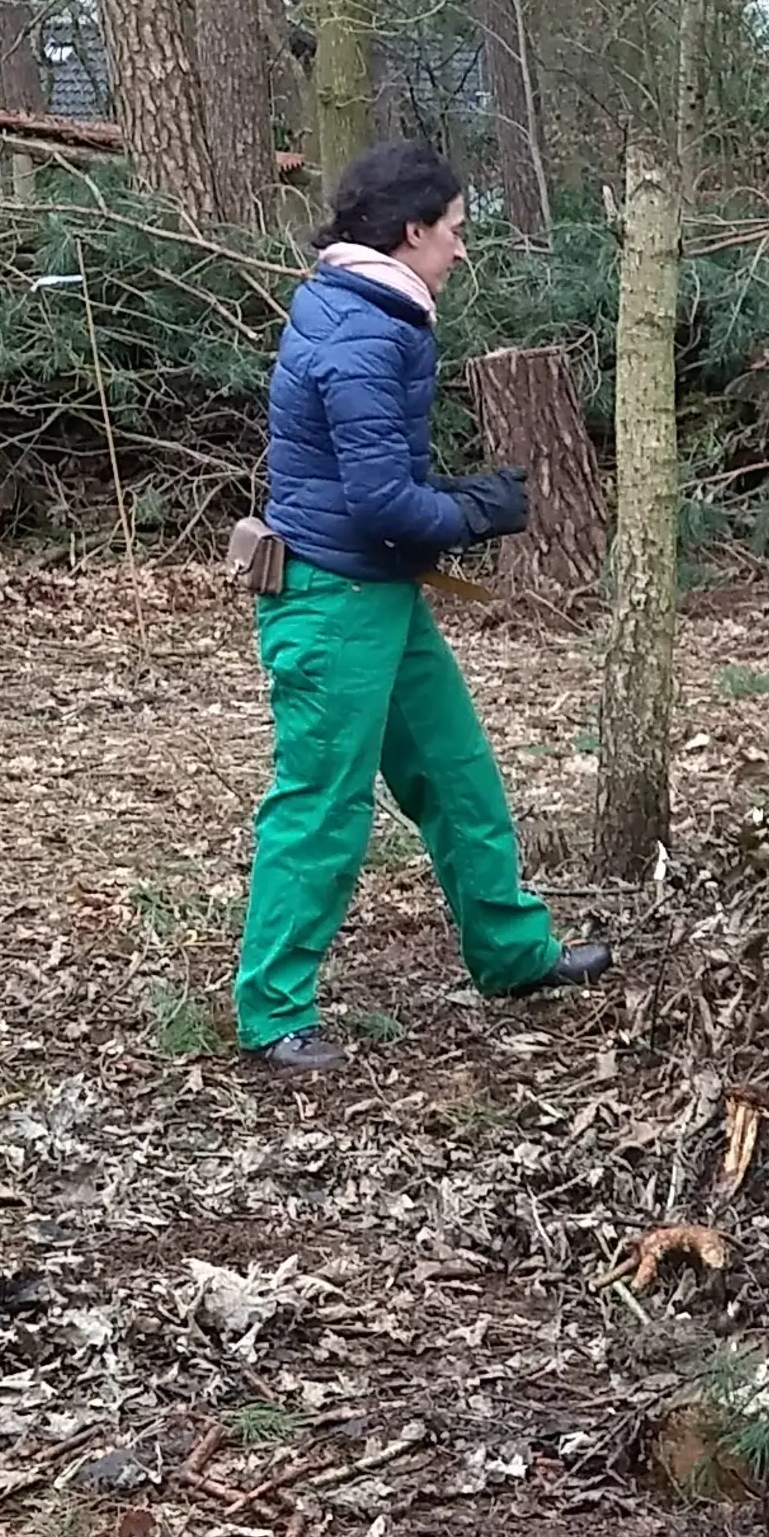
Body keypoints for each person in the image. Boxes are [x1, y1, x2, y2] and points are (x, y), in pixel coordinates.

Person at [234, 140, 608, 1074]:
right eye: (455, 231)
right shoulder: (366, 335)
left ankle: (513, 953)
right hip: (329, 603)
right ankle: (274, 1012)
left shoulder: (365, 305)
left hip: (377, 592)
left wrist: (448, 505)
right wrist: (477, 510)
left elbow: (379, 484)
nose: (462, 250)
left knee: (456, 774)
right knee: (321, 805)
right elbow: (382, 503)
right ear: (411, 233)